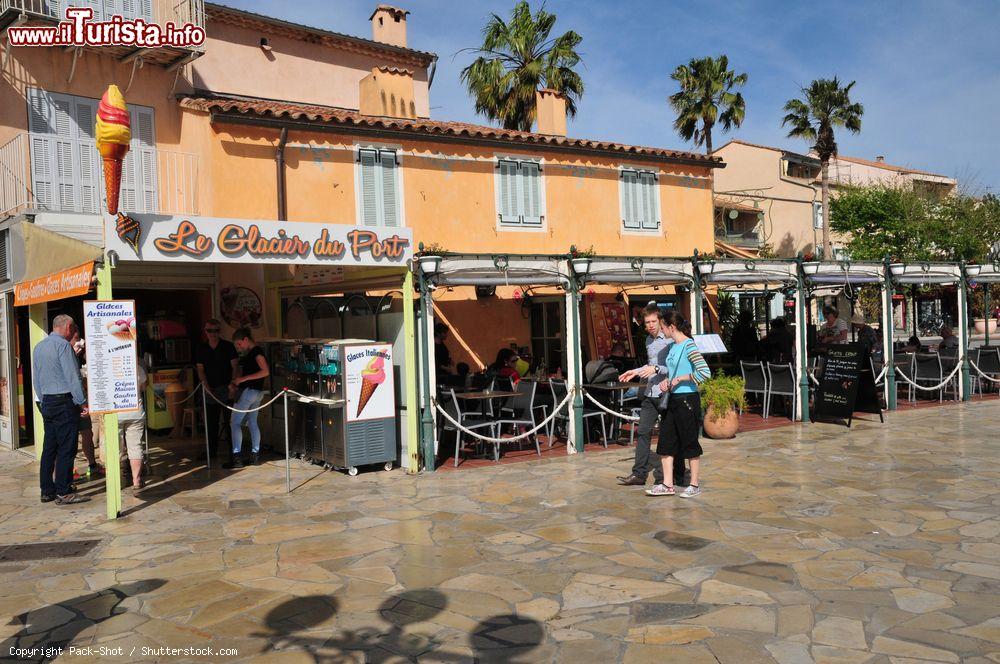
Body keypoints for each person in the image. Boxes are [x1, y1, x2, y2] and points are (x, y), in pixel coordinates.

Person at [617, 304, 685, 489]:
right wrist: (634, 371)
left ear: (660, 321)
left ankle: (672, 475)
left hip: (668, 393)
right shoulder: (648, 340)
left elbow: (673, 367)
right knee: (643, 432)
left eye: (654, 321)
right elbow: (650, 366)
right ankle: (639, 473)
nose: (651, 325)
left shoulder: (671, 339)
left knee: (669, 435)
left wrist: (655, 369)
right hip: (651, 392)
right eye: (647, 322)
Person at [645, 311, 710, 498]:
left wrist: (681, 379)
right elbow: (672, 372)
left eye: (663, 326)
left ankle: (694, 484)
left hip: (687, 400)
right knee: (665, 441)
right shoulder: (673, 347)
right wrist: (667, 381)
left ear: (671, 327)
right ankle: (667, 484)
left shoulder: (689, 346)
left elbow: (705, 372)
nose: (660, 329)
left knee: (689, 441)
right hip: (672, 399)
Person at [34, 315, 89, 505]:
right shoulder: (64, 346)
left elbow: (36, 379)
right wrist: (82, 402)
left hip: (47, 401)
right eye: (72, 328)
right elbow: (72, 376)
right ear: (67, 326)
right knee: (67, 448)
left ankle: (47, 490)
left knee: (49, 448)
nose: (72, 331)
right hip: (63, 401)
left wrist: (43, 400)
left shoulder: (39, 346)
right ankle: (64, 491)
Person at [224, 327, 270, 469]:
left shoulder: (256, 352)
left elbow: (265, 371)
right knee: (252, 422)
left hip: (250, 392)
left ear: (245, 339)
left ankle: (237, 456)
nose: (239, 347)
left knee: (235, 423)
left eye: (239, 344)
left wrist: (243, 379)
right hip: (255, 392)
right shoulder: (251, 353)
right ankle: (254, 455)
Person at [196, 319, 238, 460]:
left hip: (226, 388)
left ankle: (234, 452)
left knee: (230, 422)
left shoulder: (228, 346)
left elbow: (235, 367)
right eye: (209, 330)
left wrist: (232, 385)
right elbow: (200, 370)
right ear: (205, 331)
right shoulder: (202, 348)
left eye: (216, 330)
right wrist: (206, 387)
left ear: (220, 331)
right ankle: (211, 452)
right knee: (211, 423)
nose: (213, 334)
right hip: (210, 389)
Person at [69, 332, 103, 479]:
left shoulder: (76, 355)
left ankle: (92, 465)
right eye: (76, 339)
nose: (79, 342)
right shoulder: (65, 352)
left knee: (87, 433)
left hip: (81, 402)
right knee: (69, 438)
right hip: (71, 402)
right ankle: (70, 469)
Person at [118, 358, 148, 491]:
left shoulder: (109, 367)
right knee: (135, 445)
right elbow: (144, 386)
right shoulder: (137, 368)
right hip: (135, 411)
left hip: (115, 413)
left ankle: (116, 480)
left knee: (116, 447)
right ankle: (136, 480)